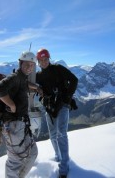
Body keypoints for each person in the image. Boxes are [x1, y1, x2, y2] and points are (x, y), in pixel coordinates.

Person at [0, 51, 38, 178]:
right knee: (14, 163)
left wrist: (37, 87)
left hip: (20, 125)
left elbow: (24, 84)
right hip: (13, 126)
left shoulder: (22, 77)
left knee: (33, 152)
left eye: (32, 65)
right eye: (26, 64)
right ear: (20, 63)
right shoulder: (15, 77)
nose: (29, 67)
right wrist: (12, 105)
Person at [36, 48, 78, 178]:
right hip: (49, 107)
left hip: (63, 105)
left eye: (45, 59)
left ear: (49, 59)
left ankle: (63, 168)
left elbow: (74, 80)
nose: (44, 62)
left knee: (61, 134)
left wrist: (67, 98)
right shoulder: (38, 76)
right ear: (38, 61)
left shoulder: (58, 68)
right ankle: (58, 156)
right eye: (41, 60)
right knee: (53, 134)